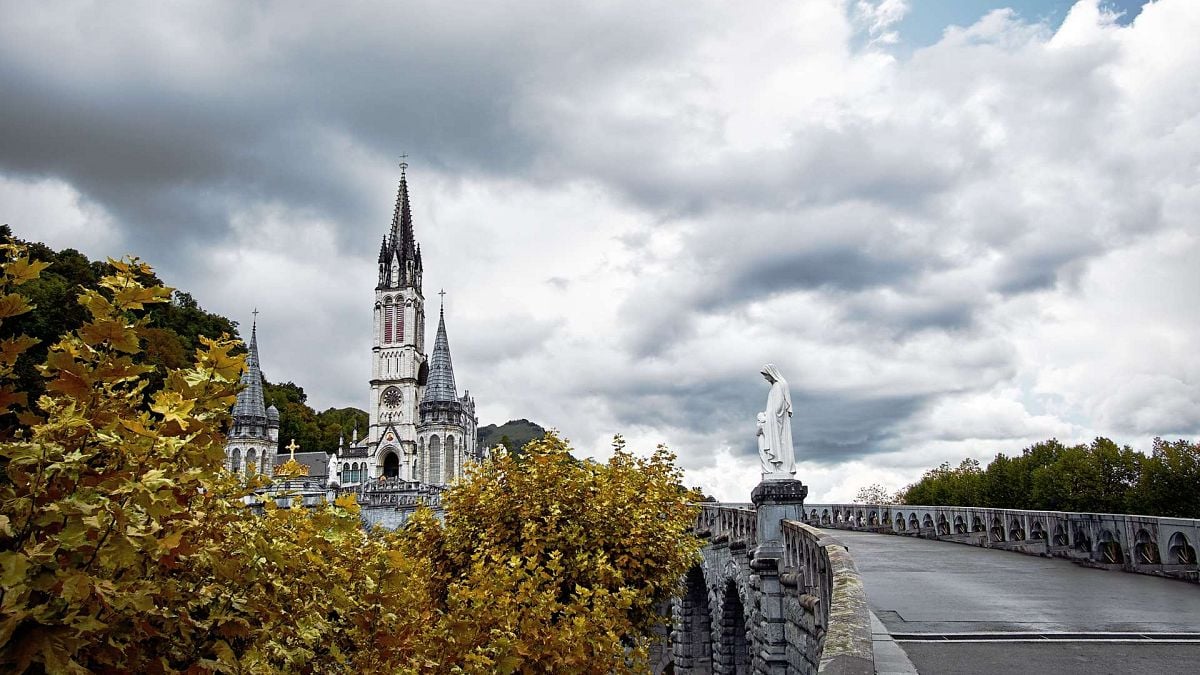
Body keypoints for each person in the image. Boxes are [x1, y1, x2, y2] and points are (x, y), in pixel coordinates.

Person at [759, 364, 796, 478]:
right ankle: (777, 468)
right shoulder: (777, 385)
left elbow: (778, 407)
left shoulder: (779, 385)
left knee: (778, 443)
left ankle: (780, 467)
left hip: (775, 421)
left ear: (771, 373)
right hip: (774, 420)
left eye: (766, 375)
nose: (765, 378)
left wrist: (768, 417)